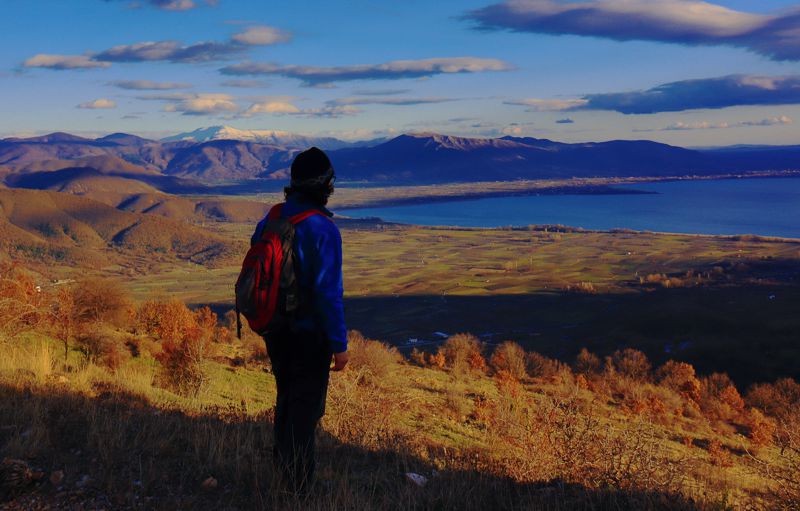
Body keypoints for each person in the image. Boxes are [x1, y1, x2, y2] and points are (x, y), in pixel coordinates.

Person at [250, 147, 348, 491]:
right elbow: (328, 293)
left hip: (275, 329)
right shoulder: (322, 229)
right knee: (306, 411)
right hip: (310, 335)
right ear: (324, 184)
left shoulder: (272, 217)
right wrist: (340, 346)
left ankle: (283, 472)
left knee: (287, 396)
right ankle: (298, 489)